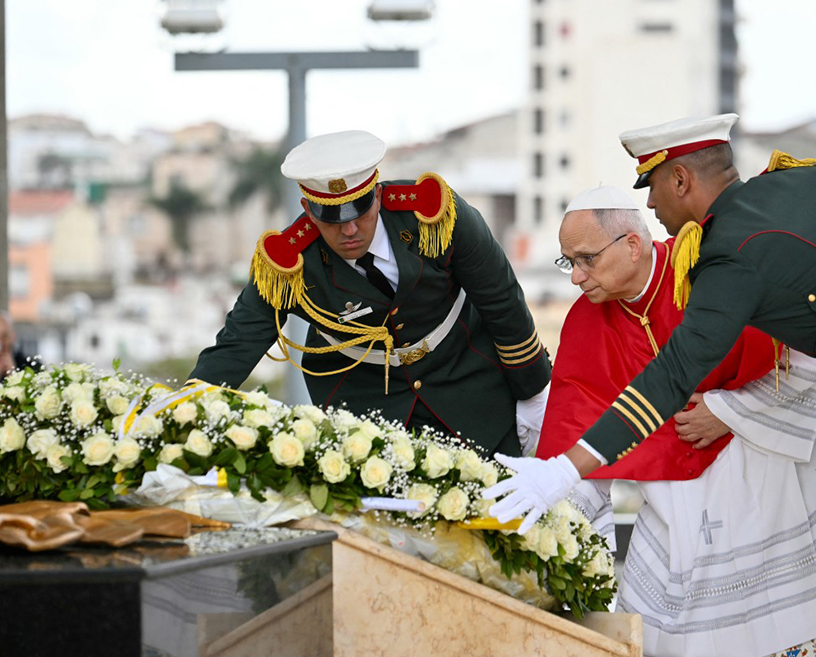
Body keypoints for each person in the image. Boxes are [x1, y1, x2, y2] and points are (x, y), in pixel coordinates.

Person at [484, 112, 816, 657]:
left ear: (679, 184)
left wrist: (726, 411)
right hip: (693, 498)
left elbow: (679, 375)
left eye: (655, 188)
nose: (655, 207)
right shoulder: (807, 177)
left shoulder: (721, 258)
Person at [537, 185, 816, 657]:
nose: (577, 277)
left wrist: (725, 410)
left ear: (632, 243)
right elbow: (579, 430)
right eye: (569, 262)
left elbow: (811, 365)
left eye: (585, 259)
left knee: (798, 625)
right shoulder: (586, 320)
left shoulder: (713, 271)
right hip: (676, 502)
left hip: (766, 468)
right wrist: (544, 519)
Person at [190, 130, 551, 458]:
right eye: (331, 216)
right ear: (307, 210)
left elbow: (500, 298)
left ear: (377, 193)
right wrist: (182, 415)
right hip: (366, 418)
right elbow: (237, 344)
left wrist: (533, 391)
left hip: (471, 393)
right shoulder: (288, 263)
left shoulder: (434, 214)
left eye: (360, 210)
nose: (348, 229)